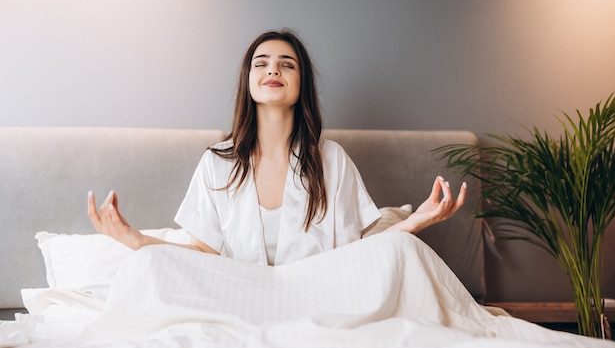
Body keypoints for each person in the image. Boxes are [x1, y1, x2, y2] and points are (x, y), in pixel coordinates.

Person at [88, 29, 467, 266]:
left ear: (301, 84)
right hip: (236, 293)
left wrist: (415, 220)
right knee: (147, 271)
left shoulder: (330, 159)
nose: (273, 70)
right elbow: (204, 255)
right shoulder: (216, 162)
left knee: (409, 258)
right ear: (249, 80)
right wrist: (133, 239)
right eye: (262, 63)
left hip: (319, 292)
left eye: (287, 64)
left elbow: (360, 253)